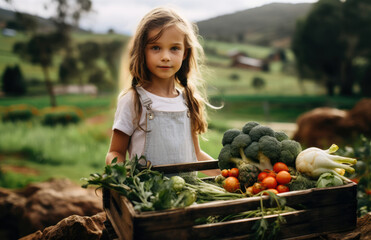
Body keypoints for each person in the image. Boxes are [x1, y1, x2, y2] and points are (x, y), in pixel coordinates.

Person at [105, 6, 218, 174]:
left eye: (174, 48)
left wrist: (227, 175)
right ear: (142, 51)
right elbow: (116, 152)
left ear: (185, 53)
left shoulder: (188, 100)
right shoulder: (133, 100)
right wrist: (123, 179)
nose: (165, 56)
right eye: (156, 47)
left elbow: (196, 154)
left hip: (186, 197)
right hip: (147, 198)